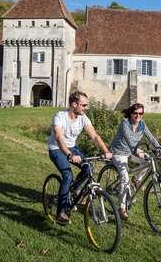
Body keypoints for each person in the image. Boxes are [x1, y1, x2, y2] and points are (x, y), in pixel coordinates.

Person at [47, 91, 112, 225]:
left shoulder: (83, 117)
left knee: (88, 168)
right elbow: (59, 138)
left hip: (72, 148)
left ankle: (74, 190)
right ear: (74, 104)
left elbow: (94, 136)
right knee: (67, 176)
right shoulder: (60, 116)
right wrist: (69, 155)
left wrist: (106, 151)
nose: (86, 107)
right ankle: (61, 212)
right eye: (84, 105)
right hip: (57, 149)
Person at [109, 103, 161, 221]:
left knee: (149, 160)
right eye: (136, 113)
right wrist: (137, 152)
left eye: (141, 113)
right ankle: (122, 208)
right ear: (130, 114)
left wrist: (159, 149)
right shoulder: (125, 123)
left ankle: (136, 179)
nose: (138, 115)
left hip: (132, 151)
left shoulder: (142, 124)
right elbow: (130, 141)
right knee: (125, 178)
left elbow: (150, 137)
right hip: (119, 152)